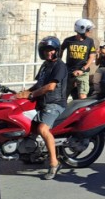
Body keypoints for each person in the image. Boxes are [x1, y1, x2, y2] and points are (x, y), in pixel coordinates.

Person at [16, 36, 68, 180]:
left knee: (42, 129)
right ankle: (32, 153)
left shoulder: (60, 66)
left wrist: (31, 95)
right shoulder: (45, 66)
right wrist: (22, 93)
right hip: (42, 102)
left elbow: (51, 87)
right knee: (25, 123)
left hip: (55, 104)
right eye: (45, 50)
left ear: (56, 51)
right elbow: (39, 85)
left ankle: (54, 163)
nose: (48, 53)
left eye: (51, 50)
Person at [61, 19, 96, 100]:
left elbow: (92, 56)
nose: (90, 32)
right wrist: (61, 64)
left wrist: (83, 69)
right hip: (69, 72)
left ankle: (82, 112)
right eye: (88, 30)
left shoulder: (90, 41)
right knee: (63, 96)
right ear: (82, 29)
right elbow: (61, 50)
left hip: (83, 73)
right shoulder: (68, 40)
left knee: (82, 97)